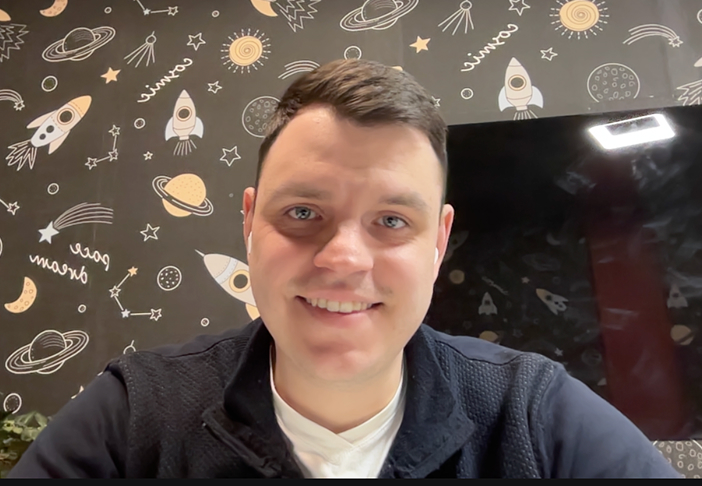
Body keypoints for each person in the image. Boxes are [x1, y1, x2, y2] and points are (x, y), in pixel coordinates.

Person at [9, 59, 682, 479]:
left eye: (392, 221)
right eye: (303, 213)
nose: (343, 259)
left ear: (439, 241)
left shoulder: (536, 417)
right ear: (249, 223)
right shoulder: (135, 417)